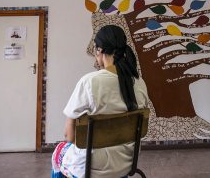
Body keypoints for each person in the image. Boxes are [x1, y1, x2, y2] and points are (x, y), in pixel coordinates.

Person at [51, 25, 149, 178]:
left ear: (99, 50)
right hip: (125, 165)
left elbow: (69, 136)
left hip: (89, 168)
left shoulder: (89, 82)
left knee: (59, 151)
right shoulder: (139, 82)